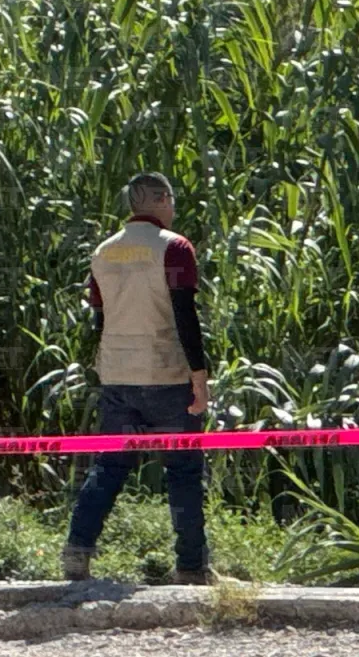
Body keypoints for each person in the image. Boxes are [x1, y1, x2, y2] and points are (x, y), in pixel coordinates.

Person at [62, 172, 214, 585]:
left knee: (109, 466)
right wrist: (199, 377)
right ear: (163, 199)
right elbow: (186, 316)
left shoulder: (103, 252)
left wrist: (106, 367)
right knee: (183, 471)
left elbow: (100, 318)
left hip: (117, 376)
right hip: (166, 374)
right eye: (172, 199)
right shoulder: (175, 248)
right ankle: (191, 568)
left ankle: (77, 550)